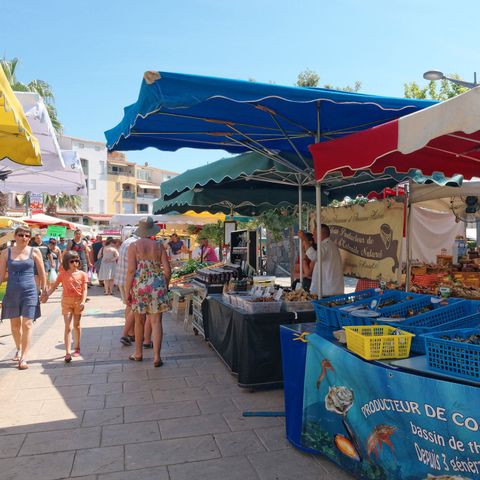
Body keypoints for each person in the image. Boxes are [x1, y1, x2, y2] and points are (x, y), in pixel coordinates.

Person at [125, 217, 171, 367]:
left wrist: (127, 291)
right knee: (156, 322)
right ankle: (157, 357)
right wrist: (165, 286)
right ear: (152, 230)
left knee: (139, 321)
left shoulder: (133, 246)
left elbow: (131, 271)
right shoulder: (159, 246)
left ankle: (138, 353)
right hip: (157, 285)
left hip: (139, 285)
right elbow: (167, 270)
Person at [0, 227, 46, 370]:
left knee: (27, 324)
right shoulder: (6, 253)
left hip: (30, 292)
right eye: (21, 235)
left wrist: (44, 290)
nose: (24, 238)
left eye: (27, 235)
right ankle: (19, 348)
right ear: (15, 236)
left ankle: (24, 357)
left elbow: (42, 272)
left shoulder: (35, 251)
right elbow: (1, 275)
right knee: (15, 326)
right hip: (12, 292)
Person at [43, 251, 88, 362]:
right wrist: (46, 295)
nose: (75, 263)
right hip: (66, 302)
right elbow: (54, 287)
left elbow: (85, 290)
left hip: (78, 301)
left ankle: (77, 348)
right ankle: (67, 352)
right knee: (68, 326)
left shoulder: (82, 274)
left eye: (77, 260)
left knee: (77, 325)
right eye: (72, 261)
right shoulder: (62, 274)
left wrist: (83, 302)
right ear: (67, 262)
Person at [299, 224, 344, 297]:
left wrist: (305, 239)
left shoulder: (325, 246)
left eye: (314, 234)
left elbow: (314, 256)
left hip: (327, 292)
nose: (313, 237)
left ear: (320, 234)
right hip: (329, 290)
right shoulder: (329, 245)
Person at [115, 234, 137, 346]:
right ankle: (129, 333)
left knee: (129, 306)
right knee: (132, 306)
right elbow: (132, 268)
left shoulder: (128, 241)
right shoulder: (134, 244)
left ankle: (129, 332)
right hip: (129, 280)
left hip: (123, 278)